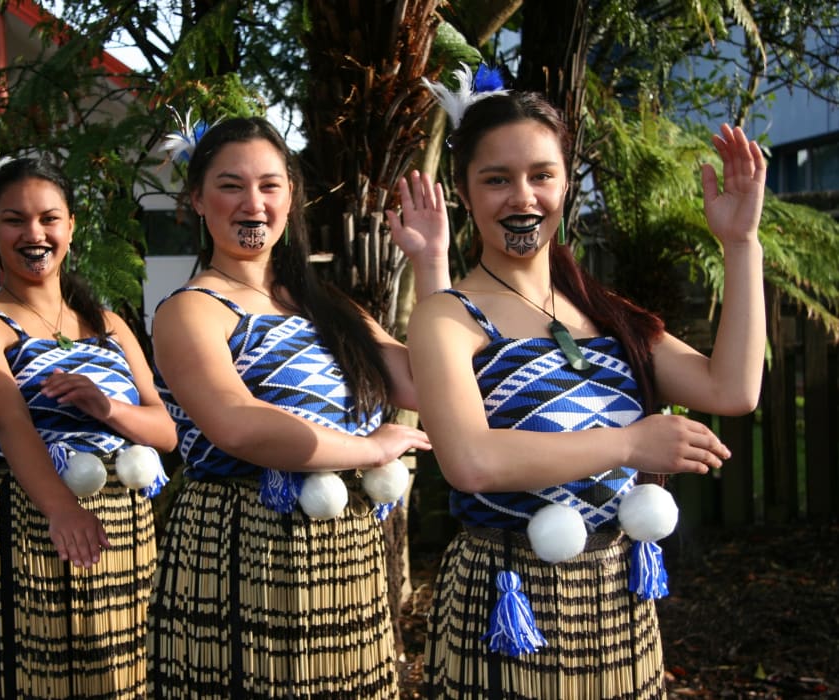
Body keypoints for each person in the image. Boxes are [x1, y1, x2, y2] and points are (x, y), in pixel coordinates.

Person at [389, 68, 767, 699]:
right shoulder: (448, 317)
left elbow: (732, 390)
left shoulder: (603, 310)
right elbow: (471, 461)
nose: (523, 196)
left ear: (566, 182)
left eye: (542, 175)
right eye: (496, 179)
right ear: (464, 191)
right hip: (505, 599)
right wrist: (628, 445)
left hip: (618, 601)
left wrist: (741, 242)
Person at [147, 116, 433, 699]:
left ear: (292, 198)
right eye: (230, 185)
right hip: (242, 545)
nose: (253, 203)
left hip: (345, 551)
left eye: (270, 185)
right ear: (197, 200)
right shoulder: (191, 311)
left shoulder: (327, 305)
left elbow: (428, 382)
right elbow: (239, 424)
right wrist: (369, 448)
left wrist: (432, 266)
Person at [0, 153, 178, 699]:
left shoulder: (110, 324)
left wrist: (107, 409)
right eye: (14, 219)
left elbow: (167, 433)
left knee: (123, 677)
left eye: (49, 218)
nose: (34, 233)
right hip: (28, 514)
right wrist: (62, 510)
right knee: (37, 675)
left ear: (71, 225)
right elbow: (10, 425)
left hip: (123, 519)